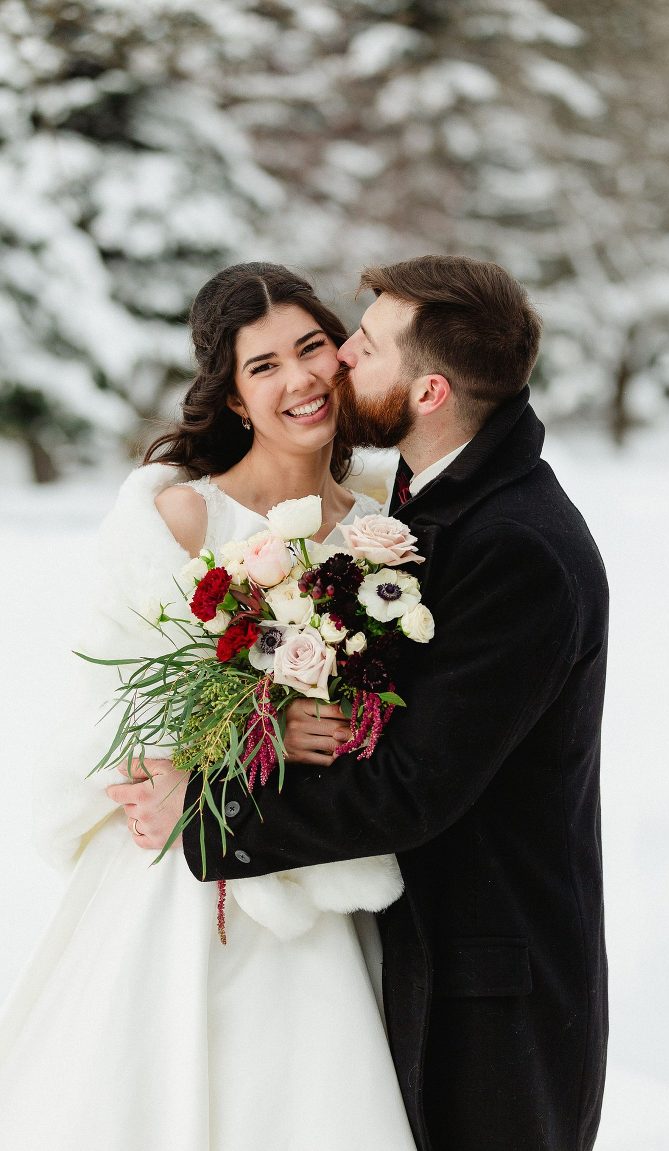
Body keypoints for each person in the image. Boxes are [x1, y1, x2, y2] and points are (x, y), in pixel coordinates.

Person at [126, 254, 610, 1151]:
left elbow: (412, 789)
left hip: (493, 996)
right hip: (413, 957)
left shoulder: (515, 547)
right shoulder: (436, 503)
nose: (340, 359)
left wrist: (206, 810)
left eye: (364, 343)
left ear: (427, 391)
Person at [0, 262, 417, 1151]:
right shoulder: (185, 519)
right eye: (263, 366)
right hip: (190, 880)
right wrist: (262, 728)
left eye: (312, 349)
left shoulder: (385, 530)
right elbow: (118, 708)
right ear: (232, 398)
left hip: (328, 868)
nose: (299, 380)